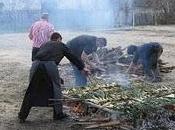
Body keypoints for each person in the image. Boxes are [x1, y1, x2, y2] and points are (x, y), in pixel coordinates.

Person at [18, 32, 89, 123]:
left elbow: (36, 54)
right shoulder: (61, 44)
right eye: (60, 39)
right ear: (59, 38)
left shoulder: (45, 44)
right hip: (49, 64)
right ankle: (58, 114)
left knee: (31, 89)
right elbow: (72, 56)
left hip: (35, 64)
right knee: (56, 87)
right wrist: (82, 67)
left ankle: (22, 115)